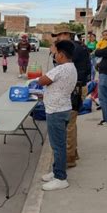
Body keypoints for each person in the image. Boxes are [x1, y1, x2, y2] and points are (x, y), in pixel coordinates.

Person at [38, 40, 77, 191]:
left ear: (61, 54)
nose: (54, 55)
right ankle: (56, 172)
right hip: (63, 108)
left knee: (58, 146)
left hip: (56, 111)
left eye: (55, 53)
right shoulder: (72, 68)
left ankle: (61, 178)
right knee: (59, 144)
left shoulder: (60, 69)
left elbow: (42, 80)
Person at [51, 25, 91, 168]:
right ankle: (73, 152)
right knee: (71, 123)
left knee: (68, 125)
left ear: (66, 34)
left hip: (75, 89)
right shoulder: (77, 47)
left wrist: (55, 52)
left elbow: (63, 69)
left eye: (58, 36)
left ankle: (68, 159)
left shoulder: (72, 49)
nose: (57, 39)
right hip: (76, 87)